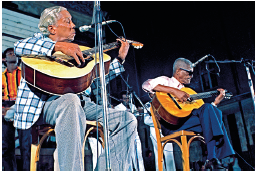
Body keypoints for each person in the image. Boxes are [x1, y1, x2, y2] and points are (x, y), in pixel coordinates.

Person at [13, 6, 138, 171]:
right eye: (68, 21)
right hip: (48, 103)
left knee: (127, 119)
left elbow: (94, 78)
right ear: (52, 28)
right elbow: (19, 46)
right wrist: (58, 47)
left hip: (83, 104)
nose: (73, 25)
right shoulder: (38, 42)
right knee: (70, 101)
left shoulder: (79, 52)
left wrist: (120, 58)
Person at [142, 57, 235, 171]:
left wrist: (216, 102)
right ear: (178, 71)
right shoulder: (166, 81)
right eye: (189, 73)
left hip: (186, 121)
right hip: (171, 123)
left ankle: (212, 159)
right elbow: (146, 85)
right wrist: (174, 91)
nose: (191, 76)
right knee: (213, 115)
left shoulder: (189, 92)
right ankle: (213, 159)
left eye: (192, 73)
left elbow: (205, 114)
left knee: (211, 111)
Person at [2, 48, 31, 171]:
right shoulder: (1, 77)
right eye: (9, 53)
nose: (13, 54)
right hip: (5, 110)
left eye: (14, 53)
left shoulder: (25, 74)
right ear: (4, 59)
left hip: (23, 109)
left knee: (26, 146)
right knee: (6, 146)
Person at [143, 94, 176, 171]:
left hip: (166, 130)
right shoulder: (148, 105)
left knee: (169, 154)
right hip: (154, 131)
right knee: (158, 155)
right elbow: (146, 120)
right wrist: (159, 120)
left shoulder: (165, 101)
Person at [114, 90, 145, 171]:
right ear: (121, 99)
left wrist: (136, 113)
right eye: (125, 99)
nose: (127, 100)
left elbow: (138, 118)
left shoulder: (132, 106)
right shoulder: (117, 108)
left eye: (128, 98)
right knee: (128, 157)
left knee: (138, 155)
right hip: (125, 135)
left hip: (135, 133)